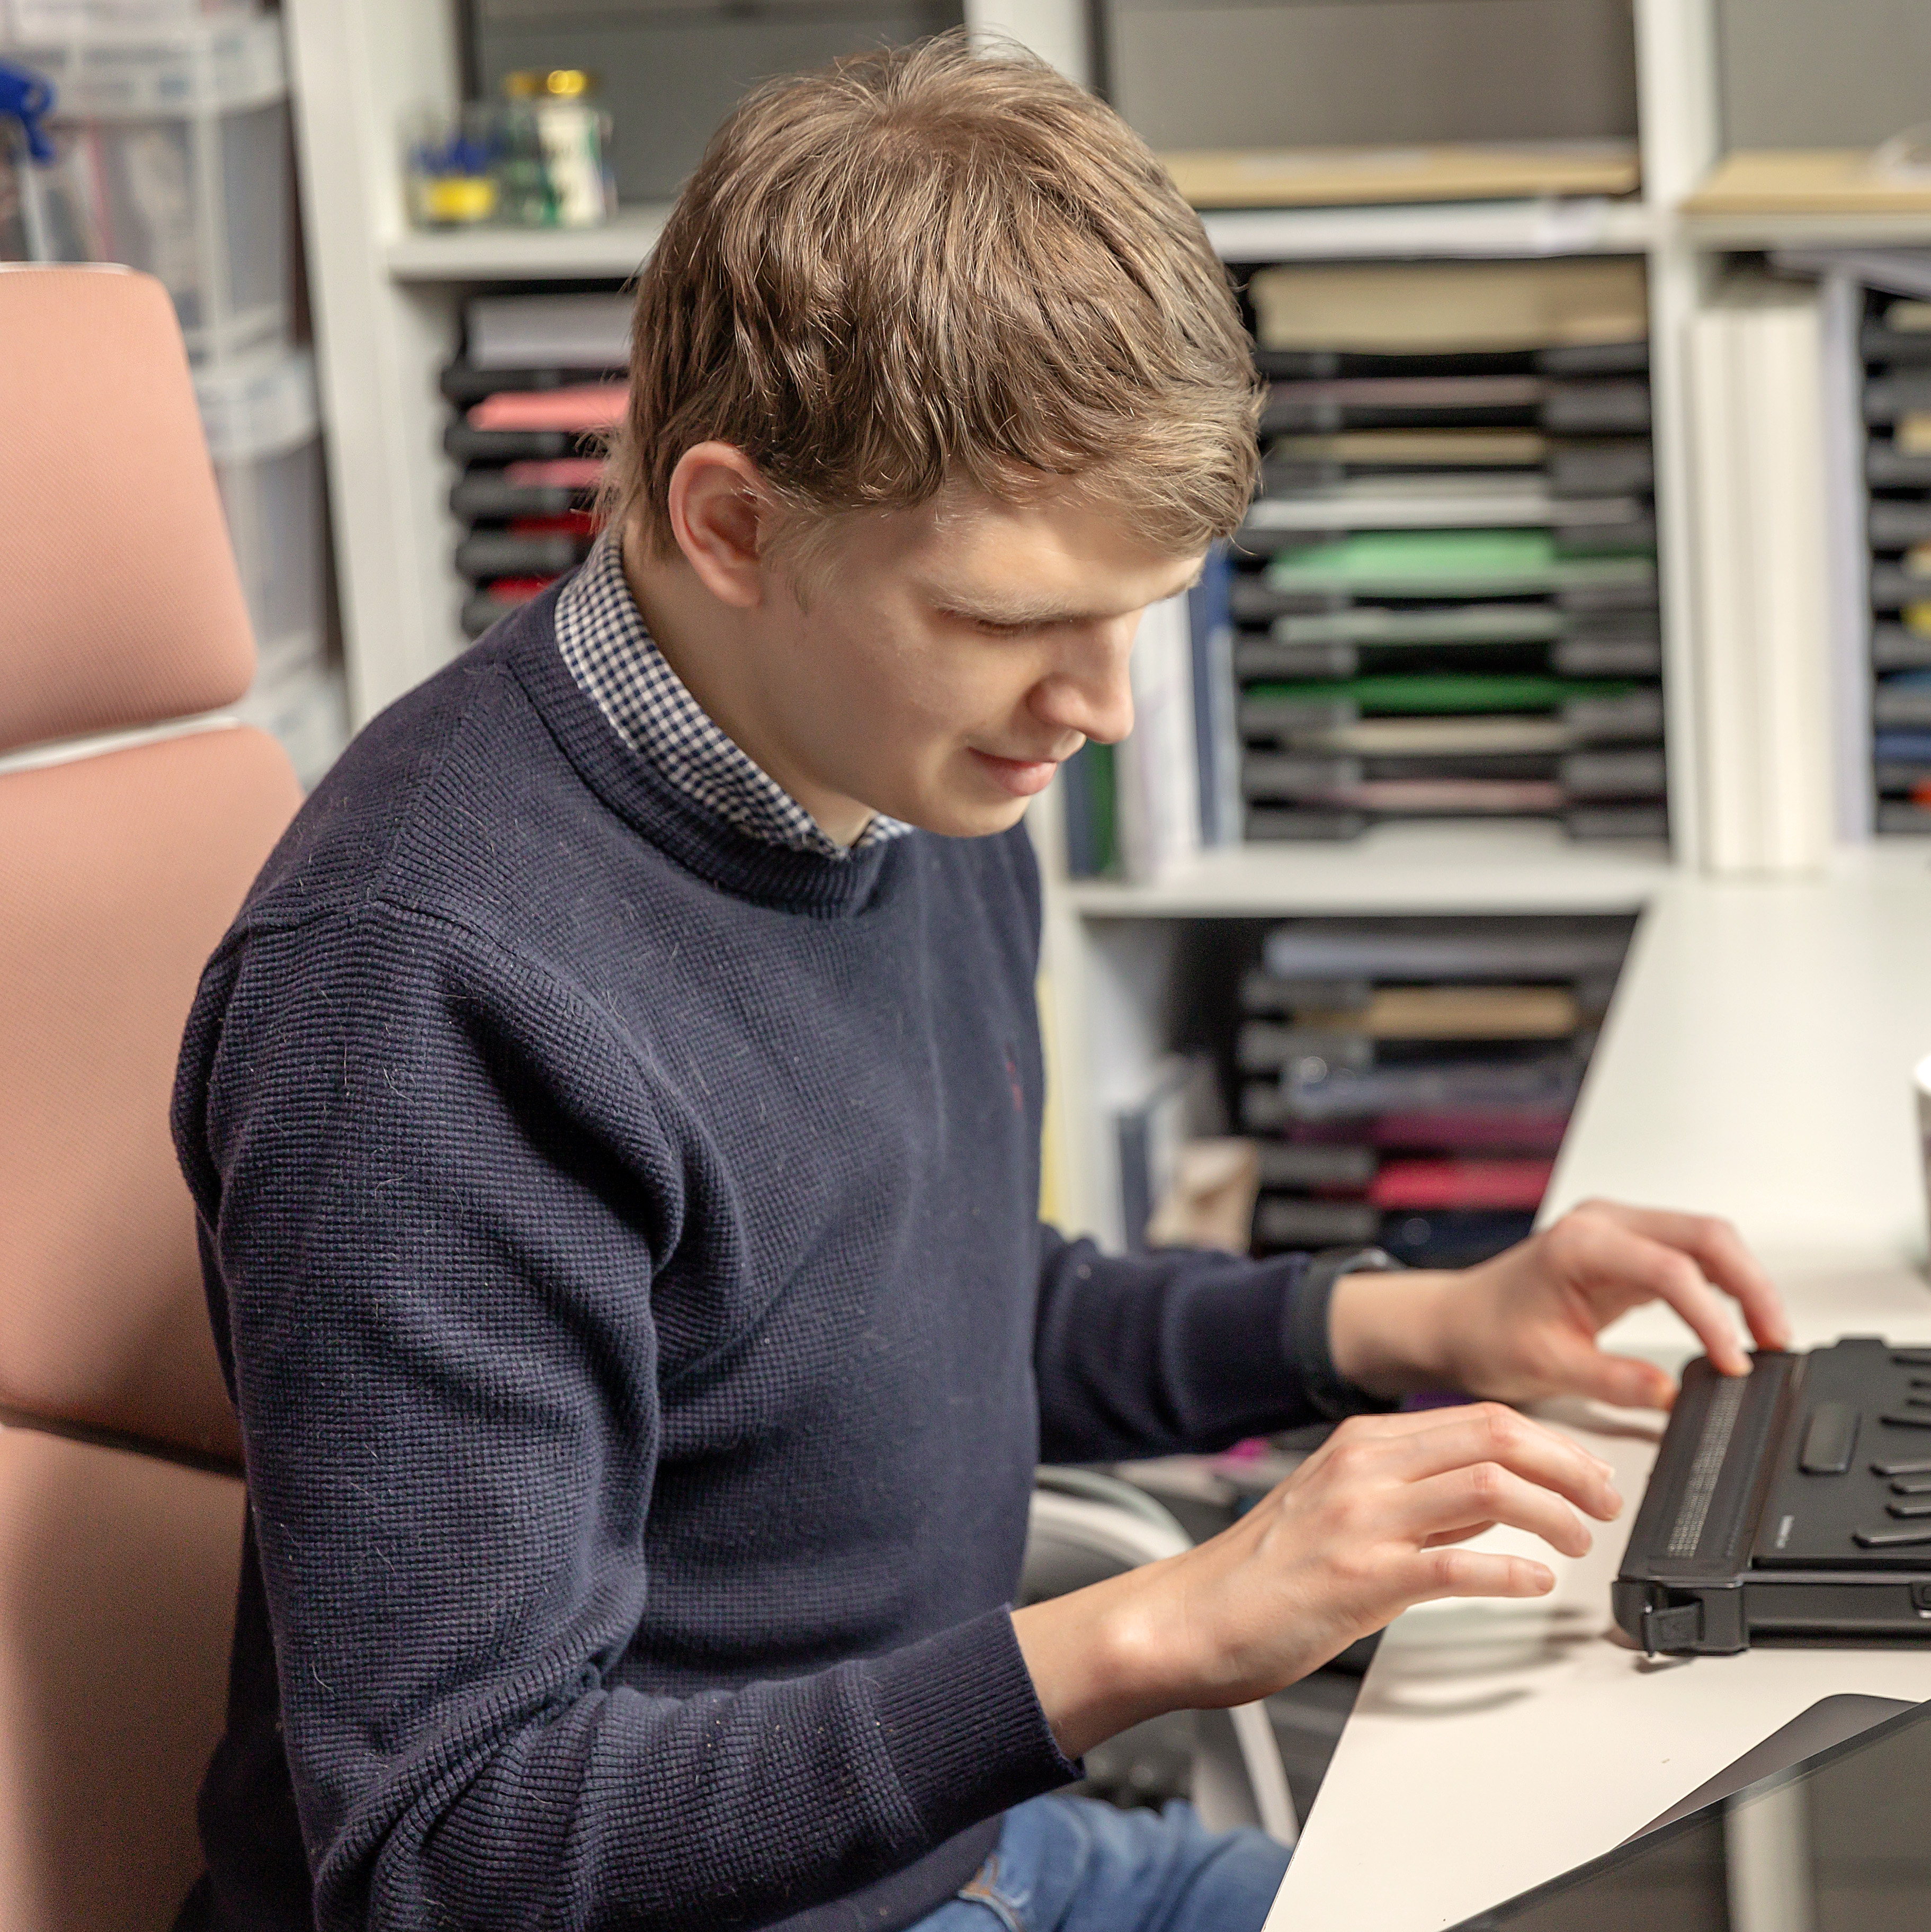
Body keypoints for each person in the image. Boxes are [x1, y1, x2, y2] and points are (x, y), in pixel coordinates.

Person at [168, 31, 1787, 1932]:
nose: (1095, 711)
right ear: (731, 525)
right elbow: (451, 1843)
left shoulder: (885, 767)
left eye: (1138, 622)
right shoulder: (424, 996)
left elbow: (909, 1321)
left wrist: (1414, 1324)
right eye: (1013, 622)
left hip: (959, 1859)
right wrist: (1161, 1631)